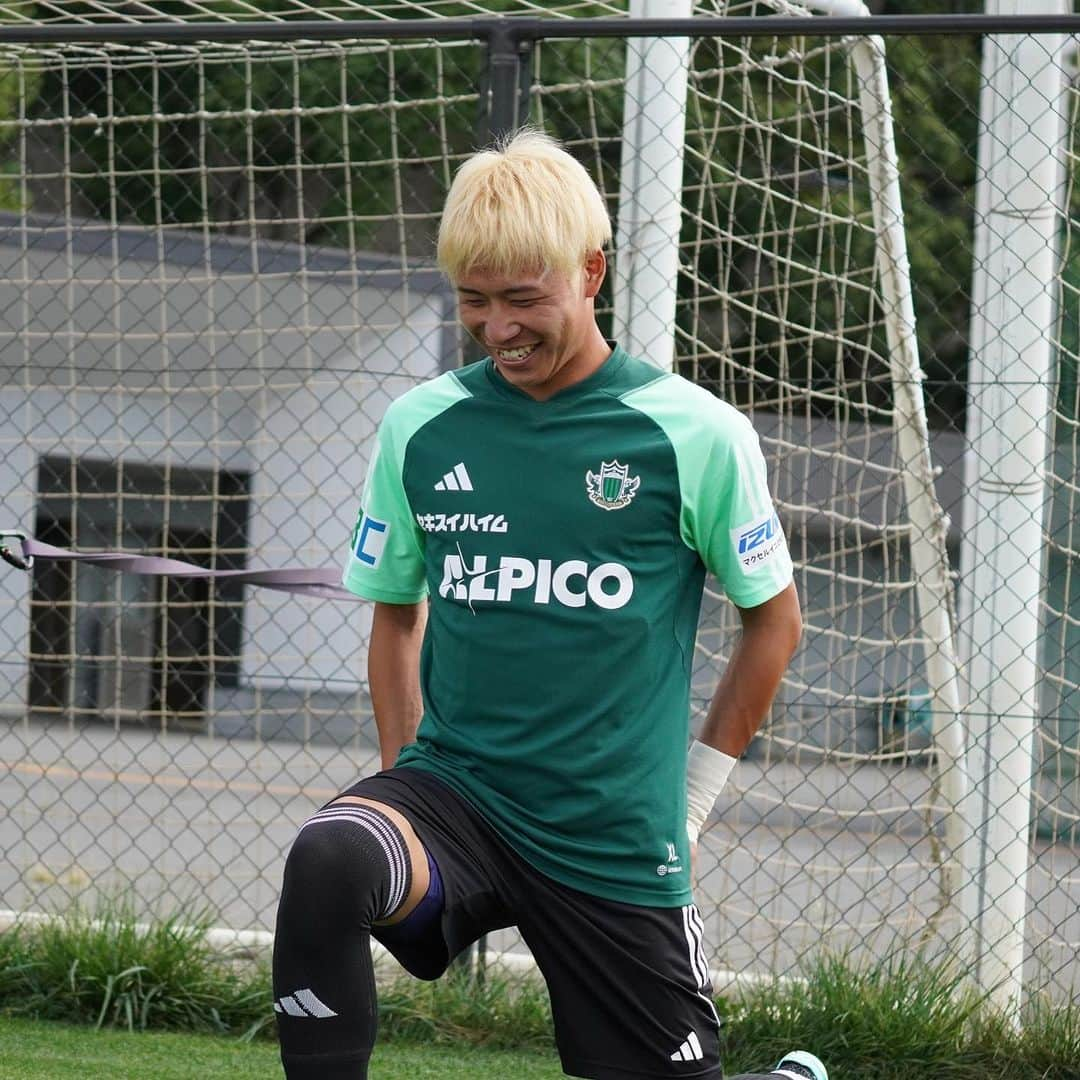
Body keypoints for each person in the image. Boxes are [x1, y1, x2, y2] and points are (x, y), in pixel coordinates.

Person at [272, 129, 824, 1080]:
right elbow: (397, 614)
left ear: (592, 272)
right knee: (331, 855)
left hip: (611, 829)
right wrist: (405, 785)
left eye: (524, 299)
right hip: (457, 797)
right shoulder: (421, 427)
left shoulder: (694, 433)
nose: (498, 328)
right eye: (474, 301)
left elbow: (773, 620)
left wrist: (688, 799)